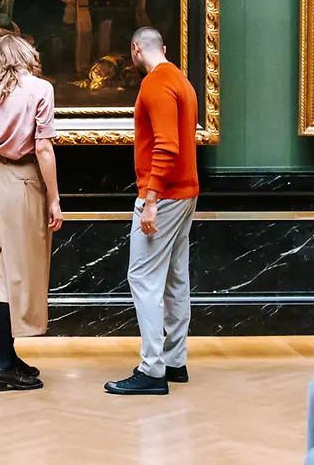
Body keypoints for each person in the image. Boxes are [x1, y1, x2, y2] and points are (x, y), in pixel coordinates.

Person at [0, 34, 64, 392]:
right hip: (23, 182)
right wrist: (54, 199)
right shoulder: (41, 89)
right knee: (14, 272)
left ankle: (7, 356)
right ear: (25, 54)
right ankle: (2, 367)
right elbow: (43, 148)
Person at [104, 27, 198, 397]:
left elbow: (167, 146)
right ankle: (175, 361)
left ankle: (152, 369)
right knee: (175, 278)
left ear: (135, 49)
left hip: (166, 194)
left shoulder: (155, 84)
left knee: (143, 277)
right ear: (164, 46)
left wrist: (152, 198)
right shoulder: (181, 80)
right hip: (186, 191)